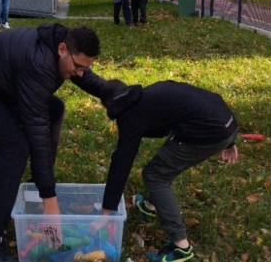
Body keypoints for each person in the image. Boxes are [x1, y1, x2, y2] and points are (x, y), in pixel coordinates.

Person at [0, 23, 107, 262]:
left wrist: (113, 93)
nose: (80, 73)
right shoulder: (38, 64)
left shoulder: (60, 45)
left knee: (54, 108)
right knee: (14, 148)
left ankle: (33, 192)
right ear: (62, 49)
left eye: (84, 67)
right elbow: (37, 132)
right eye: (78, 66)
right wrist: (50, 203)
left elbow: (84, 75)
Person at [96, 79, 239, 262]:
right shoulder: (150, 95)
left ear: (108, 105)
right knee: (163, 165)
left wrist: (106, 212)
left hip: (210, 132)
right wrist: (230, 139)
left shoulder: (130, 115)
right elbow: (204, 102)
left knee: (155, 175)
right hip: (227, 121)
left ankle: (181, 247)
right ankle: (151, 206)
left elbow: (121, 163)